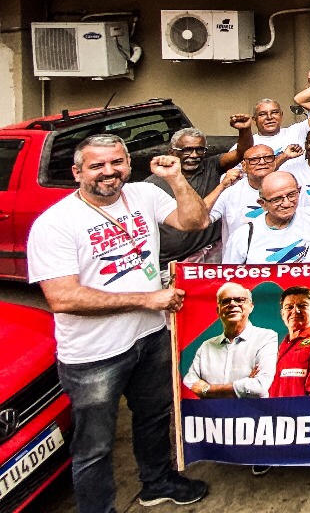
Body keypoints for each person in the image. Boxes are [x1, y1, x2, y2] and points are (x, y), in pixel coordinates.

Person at [28, 135, 211, 511]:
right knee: (95, 445)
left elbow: (195, 221)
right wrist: (147, 299)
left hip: (149, 335)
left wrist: (176, 179)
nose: (108, 172)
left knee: (154, 416)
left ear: (128, 164)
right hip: (94, 354)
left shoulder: (143, 193)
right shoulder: (56, 224)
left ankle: (157, 483)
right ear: (77, 171)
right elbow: (62, 297)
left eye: (116, 163)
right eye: (96, 166)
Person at [148, 120, 252, 264]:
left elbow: (242, 152)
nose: (194, 155)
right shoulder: (152, 185)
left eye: (200, 149)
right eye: (187, 150)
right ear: (171, 152)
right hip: (169, 263)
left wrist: (244, 130)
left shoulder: (211, 166)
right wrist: (221, 186)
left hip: (210, 255)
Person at [223, 172, 310, 264]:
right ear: (262, 204)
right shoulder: (243, 236)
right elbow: (229, 281)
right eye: (277, 199)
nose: (287, 203)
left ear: (299, 191)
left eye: (292, 195)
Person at [184, 281, 277, 399]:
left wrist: (207, 389)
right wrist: (244, 385)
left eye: (240, 300)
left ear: (251, 307)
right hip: (213, 416)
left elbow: (260, 385)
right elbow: (190, 384)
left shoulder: (266, 337)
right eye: (225, 301)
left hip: (253, 415)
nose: (232, 304)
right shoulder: (206, 346)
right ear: (218, 311)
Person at [206, 143, 278, 251]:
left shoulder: (289, 188)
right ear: (244, 166)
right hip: (239, 262)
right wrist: (221, 187)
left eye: (268, 158)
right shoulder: (229, 191)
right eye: (255, 159)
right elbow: (202, 219)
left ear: (275, 162)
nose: (262, 162)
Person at [252, 71, 310, 154]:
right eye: (263, 114)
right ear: (254, 120)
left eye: (274, 112)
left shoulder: (295, 132)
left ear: (281, 115)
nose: (269, 117)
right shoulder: (247, 144)